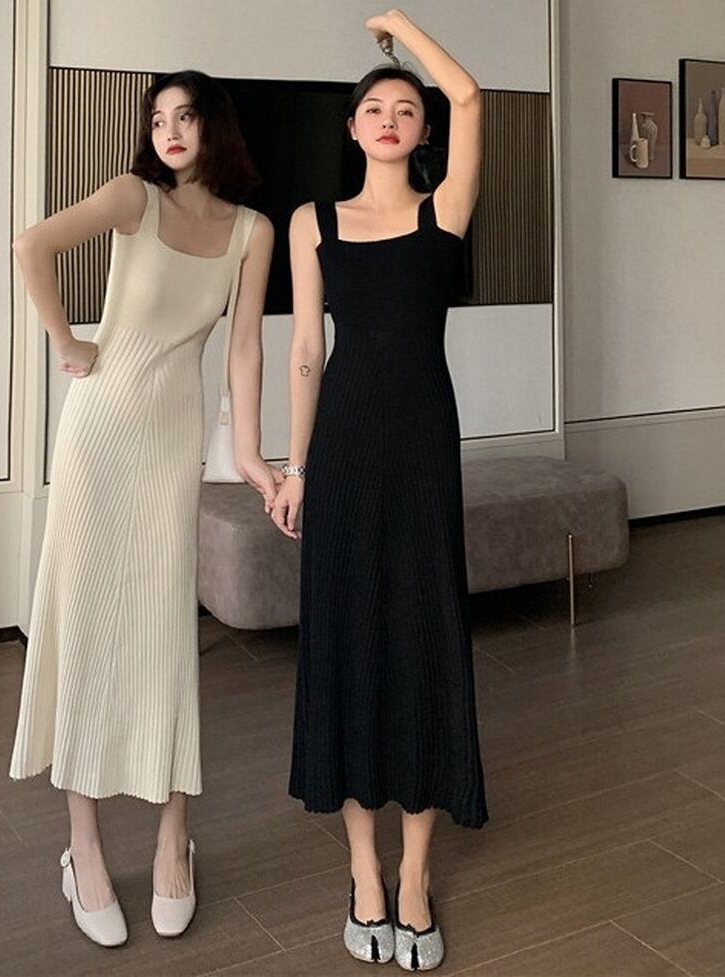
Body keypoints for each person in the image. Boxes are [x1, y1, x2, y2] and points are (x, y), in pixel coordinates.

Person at [8, 70, 277, 948]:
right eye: (157, 118)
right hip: (98, 434)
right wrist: (66, 340)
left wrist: (250, 456)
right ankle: (82, 847)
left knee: (164, 632)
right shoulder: (134, 196)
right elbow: (30, 245)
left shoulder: (252, 231)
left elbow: (244, 348)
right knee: (86, 624)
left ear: (213, 127)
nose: (168, 131)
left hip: (169, 442)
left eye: (184, 116)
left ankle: (173, 838)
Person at [270, 10, 487, 970]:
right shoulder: (311, 222)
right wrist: (296, 467)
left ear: (422, 129)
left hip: (423, 444)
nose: (391, 118)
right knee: (349, 640)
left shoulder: (446, 212)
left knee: (424, 638)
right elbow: (303, 351)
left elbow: (469, 93)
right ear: (352, 128)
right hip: (345, 447)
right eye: (374, 109)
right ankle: (363, 870)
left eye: (405, 109)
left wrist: (400, 27)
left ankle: (414, 876)